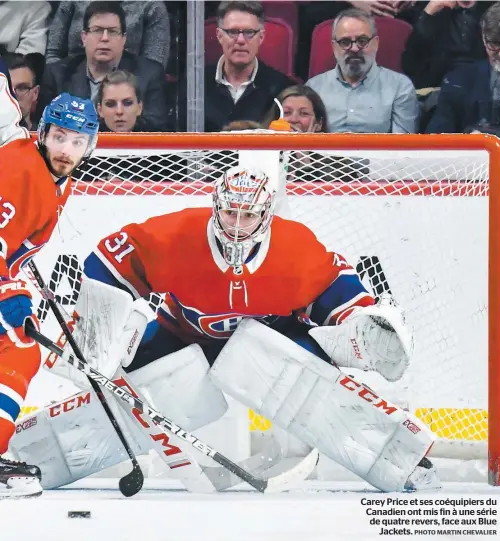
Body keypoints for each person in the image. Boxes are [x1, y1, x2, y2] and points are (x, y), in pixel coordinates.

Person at [11, 167, 441, 494]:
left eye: (248, 215)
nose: (237, 224)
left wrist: (362, 322)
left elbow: (335, 291)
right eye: (230, 212)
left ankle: (402, 460)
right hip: (179, 333)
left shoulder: (295, 248)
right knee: (158, 386)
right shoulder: (172, 234)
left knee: (296, 375)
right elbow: (106, 265)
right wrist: (87, 321)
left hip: (268, 335)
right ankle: (30, 456)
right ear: (216, 207)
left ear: (266, 215)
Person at [0, 91, 99, 499]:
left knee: (20, 348)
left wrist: (12, 283)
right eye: (60, 137)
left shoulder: (58, 179)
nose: (66, 149)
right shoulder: (19, 171)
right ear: (43, 134)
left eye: (78, 141)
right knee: (18, 348)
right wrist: (9, 293)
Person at [39, 1, 168, 131]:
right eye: (97, 30)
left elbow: (154, 126)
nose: (105, 38)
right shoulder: (57, 75)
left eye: (113, 32)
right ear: (84, 37)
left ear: (124, 39)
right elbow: (47, 126)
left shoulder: (150, 74)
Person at [179, 1, 294, 132]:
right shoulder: (193, 84)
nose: (240, 40)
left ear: (261, 37)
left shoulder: (281, 88)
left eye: (249, 32)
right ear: (219, 36)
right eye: (233, 32)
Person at [306, 8, 419, 134]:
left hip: (378, 154)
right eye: (345, 42)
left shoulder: (400, 87)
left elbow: (402, 146)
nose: (354, 48)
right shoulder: (314, 88)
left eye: (362, 41)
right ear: (334, 47)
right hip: (324, 154)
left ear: (376, 43)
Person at [426, 1, 500, 139]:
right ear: (483, 39)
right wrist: (464, 142)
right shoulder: (457, 81)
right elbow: (435, 140)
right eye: (494, 43)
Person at [46, 1, 171, 69]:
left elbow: (153, 69)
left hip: (128, 91)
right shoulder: (71, 2)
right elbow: (53, 54)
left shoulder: (152, 6)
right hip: (71, 86)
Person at [3, 52, 41, 130]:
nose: (12, 95)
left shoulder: (46, 141)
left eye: (21, 88)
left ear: (35, 93)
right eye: (5, 87)